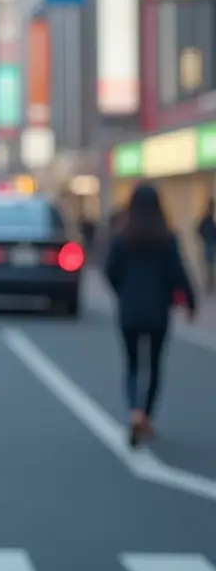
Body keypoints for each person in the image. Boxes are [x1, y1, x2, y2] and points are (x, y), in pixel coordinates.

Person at [105, 183, 197, 447]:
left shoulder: (121, 238)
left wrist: (122, 292)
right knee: (155, 363)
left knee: (133, 363)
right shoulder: (167, 238)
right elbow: (178, 273)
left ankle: (134, 410)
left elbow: (110, 271)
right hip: (158, 310)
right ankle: (146, 413)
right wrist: (190, 302)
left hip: (130, 310)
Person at [195, 198, 216, 295]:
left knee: (210, 266)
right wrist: (204, 238)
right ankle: (209, 285)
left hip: (210, 243)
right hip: (209, 244)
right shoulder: (207, 219)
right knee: (209, 266)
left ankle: (210, 285)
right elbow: (199, 230)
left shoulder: (209, 219)